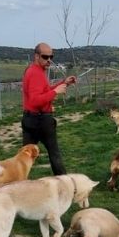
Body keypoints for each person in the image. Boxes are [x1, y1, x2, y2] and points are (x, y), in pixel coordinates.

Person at [21, 42, 77, 175]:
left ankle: (17, 187)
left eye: (51, 57)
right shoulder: (35, 73)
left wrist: (64, 83)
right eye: (45, 57)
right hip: (40, 120)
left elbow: (44, 92)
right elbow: (35, 101)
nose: (49, 60)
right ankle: (65, 186)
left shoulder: (37, 71)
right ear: (36, 56)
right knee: (54, 155)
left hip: (31, 119)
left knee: (24, 158)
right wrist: (56, 92)